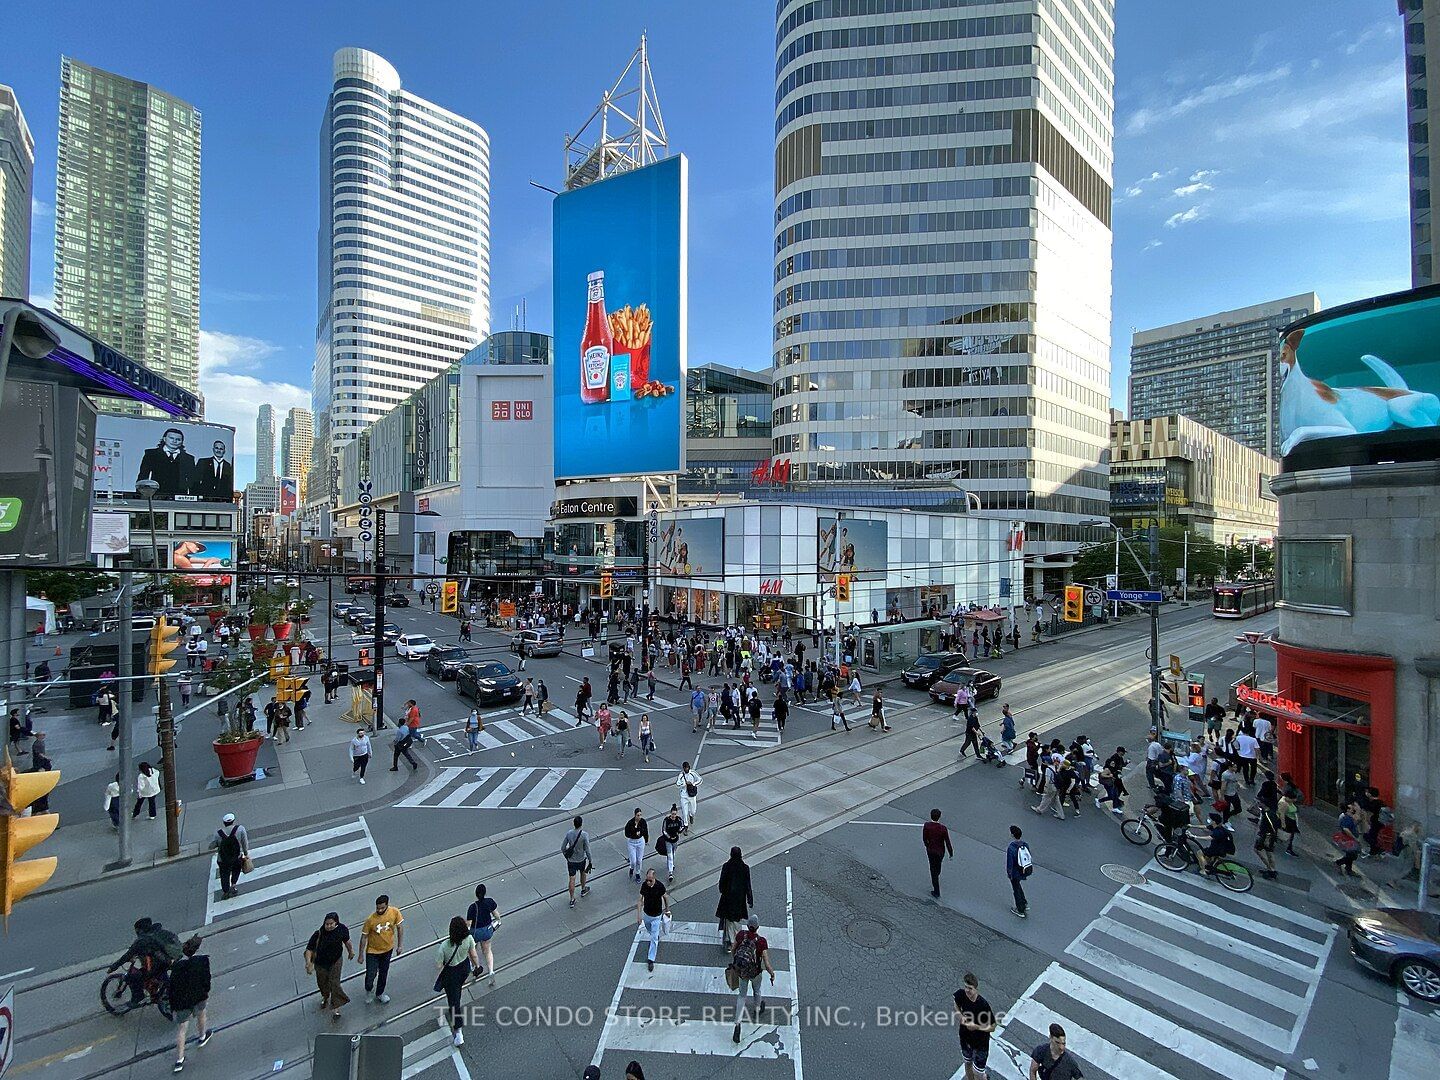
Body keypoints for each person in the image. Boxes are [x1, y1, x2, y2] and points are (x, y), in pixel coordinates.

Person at [110, 917, 183, 1005]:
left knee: (134, 977)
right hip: (169, 960)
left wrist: (114, 967)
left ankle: (138, 997)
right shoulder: (159, 932)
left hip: (158, 964)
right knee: (161, 974)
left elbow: (127, 955)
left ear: (139, 930)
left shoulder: (142, 940)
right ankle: (163, 991)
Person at [730, 914, 777, 1044]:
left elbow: (733, 949)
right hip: (755, 972)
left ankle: (737, 1024)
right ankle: (757, 1009)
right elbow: (766, 963)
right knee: (757, 991)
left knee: (741, 996)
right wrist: (772, 973)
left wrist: (736, 963)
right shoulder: (761, 941)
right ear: (757, 927)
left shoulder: (740, 935)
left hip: (742, 971)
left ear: (747, 926)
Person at [168, 936, 212, 1072]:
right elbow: (207, 979)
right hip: (199, 996)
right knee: (201, 1014)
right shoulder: (202, 961)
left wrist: (173, 1005)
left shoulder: (177, 967)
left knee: (182, 1029)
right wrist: (205, 991)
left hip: (182, 1002)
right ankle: (202, 1036)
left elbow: (172, 988)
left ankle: (179, 1060)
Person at [434, 916, 479, 1047]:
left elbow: (438, 965)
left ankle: (458, 1032)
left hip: (451, 972)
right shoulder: (469, 939)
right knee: (457, 990)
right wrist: (477, 966)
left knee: (454, 1001)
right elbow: (474, 954)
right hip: (464, 967)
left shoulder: (445, 946)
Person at [304, 912, 353, 1019]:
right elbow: (309, 949)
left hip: (336, 961)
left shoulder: (342, 929)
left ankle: (336, 1007)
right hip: (320, 963)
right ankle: (325, 996)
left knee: (334, 983)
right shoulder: (319, 934)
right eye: (327, 924)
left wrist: (350, 951)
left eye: (331, 924)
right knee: (322, 982)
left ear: (336, 923)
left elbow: (347, 941)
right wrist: (308, 963)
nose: (329, 926)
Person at [360, 894, 404, 1004]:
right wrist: (361, 954)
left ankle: (380, 993)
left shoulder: (394, 912)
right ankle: (369, 989)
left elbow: (399, 927)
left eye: (382, 908)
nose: (379, 910)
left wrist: (399, 945)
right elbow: (364, 936)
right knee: (371, 974)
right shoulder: (371, 920)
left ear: (387, 905)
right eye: (377, 908)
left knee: (383, 973)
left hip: (387, 949)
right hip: (372, 951)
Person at [954, 972, 996, 1080]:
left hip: (980, 1044)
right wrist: (960, 1016)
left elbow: (992, 1027)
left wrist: (976, 1027)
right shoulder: (961, 995)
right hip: (965, 1039)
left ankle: (984, 1077)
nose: (967, 990)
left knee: (978, 1074)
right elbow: (956, 1006)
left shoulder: (983, 1005)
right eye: (966, 987)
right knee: (967, 1063)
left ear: (976, 989)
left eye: (970, 988)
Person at [716, 847, 753, 951]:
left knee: (728, 920)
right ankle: (737, 940)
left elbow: (722, 882)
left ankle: (730, 941)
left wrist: (723, 891)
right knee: (737, 920)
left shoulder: (726, 866)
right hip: (739, 899)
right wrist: (750, 899)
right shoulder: (745, 868)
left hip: (727, 898)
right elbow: (748, 885)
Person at [467, 884, 500, 984]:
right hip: (487, 930)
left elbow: (469, 924)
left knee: (472, 949)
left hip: (475, 932)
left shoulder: (472, 907)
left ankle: (474, 966)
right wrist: (498, 921)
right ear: (485, 892)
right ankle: (491, 971)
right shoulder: (489, 902)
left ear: (476, 894)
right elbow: (496, 915)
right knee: (487, 950)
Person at [214, 813, 249, 899]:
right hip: (237, 856)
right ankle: (233, 885)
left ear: (224, 822)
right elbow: (244, 842)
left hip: (223, 859)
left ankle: (226, 891)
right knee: (236, 870)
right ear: (233, 821)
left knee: (224, 875)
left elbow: (214, 845)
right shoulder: (240, 829)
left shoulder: (218, 833)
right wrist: (246, 853)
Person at [923, 808, 953, 898]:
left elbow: (924, 838)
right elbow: (947, 842)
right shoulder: (943, 828)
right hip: (940, 851)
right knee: (938, 866)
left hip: (931, 851)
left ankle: (936, 891)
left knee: (933, 869)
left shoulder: (927, 826)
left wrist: (927, 846)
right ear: (939, 817)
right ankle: (937, 874)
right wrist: (951, 853)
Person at [562, 815, 592, 908]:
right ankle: (583, 889)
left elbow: (563, 847)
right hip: (581, 859)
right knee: (583, 873)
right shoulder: (584, 835)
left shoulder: (569, 833)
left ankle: (572, 899)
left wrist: (567, 856)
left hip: (571, 860)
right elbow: (587, 849)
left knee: (572, 879)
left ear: (574, 824)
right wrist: (590, 860)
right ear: (581, 824)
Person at [1005, 825, 1032, 918]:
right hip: (1023, 869)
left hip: (1015, 872)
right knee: (1018, 886)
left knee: (1015, 889)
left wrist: (1009, 873)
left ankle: (1020, 909)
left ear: (1012, 835)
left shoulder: (1011, 847)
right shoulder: (1025, 844)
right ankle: (1024, 902)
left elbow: (1010, 863)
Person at [1334, 802, 1363, 877]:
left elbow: (1353, 824)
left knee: (1350, 853)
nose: (1353, 807)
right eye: (1351, 807)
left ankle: (1348, 869)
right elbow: (1346, 829)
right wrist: (1355, 838)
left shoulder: (1348, 816)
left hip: (1348, 838)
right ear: (1348, 809)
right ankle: (1338, 863)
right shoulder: (1346, 817)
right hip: (1347, 839)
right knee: (1353, 855)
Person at [658, 804, 683, 881]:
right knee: (670, 855)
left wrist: (678, 832)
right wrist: (669, 837)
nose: (673, 815)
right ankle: (670, 873)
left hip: (675, 840)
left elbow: (682, 827)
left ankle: (671, 865)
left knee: (673, 853)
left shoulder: (679, 820)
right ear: (670, 813)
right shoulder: (666, 820)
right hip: (668, 841)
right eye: (672, 814)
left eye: (675, 814)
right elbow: (664, 830)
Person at [624, 807, 649, 881]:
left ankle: (637, 873)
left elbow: (645, 831)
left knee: (639, 860)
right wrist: (634, 834)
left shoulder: (643, 822)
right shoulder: (630, 823)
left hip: (640, 842)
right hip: (632, 842)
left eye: (640, 815)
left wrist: (646, 840)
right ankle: (631, 868)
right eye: (638, 815)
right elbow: (627, 834)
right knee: (633, 860)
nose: (639, 817)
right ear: (635, 815)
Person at [677, 763, 701, 833]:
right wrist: (684, 784)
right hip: (684, 796)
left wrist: (693, 784)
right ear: (683, 768)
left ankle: (691, 815)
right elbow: (678, 783)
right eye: (685, 768)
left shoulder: (693, 773)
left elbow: (700, 779)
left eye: (687, 768)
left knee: (693, 811)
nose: (686, 769)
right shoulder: (681, 775)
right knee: (684, 812)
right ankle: (686, 825)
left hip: (692, 796)